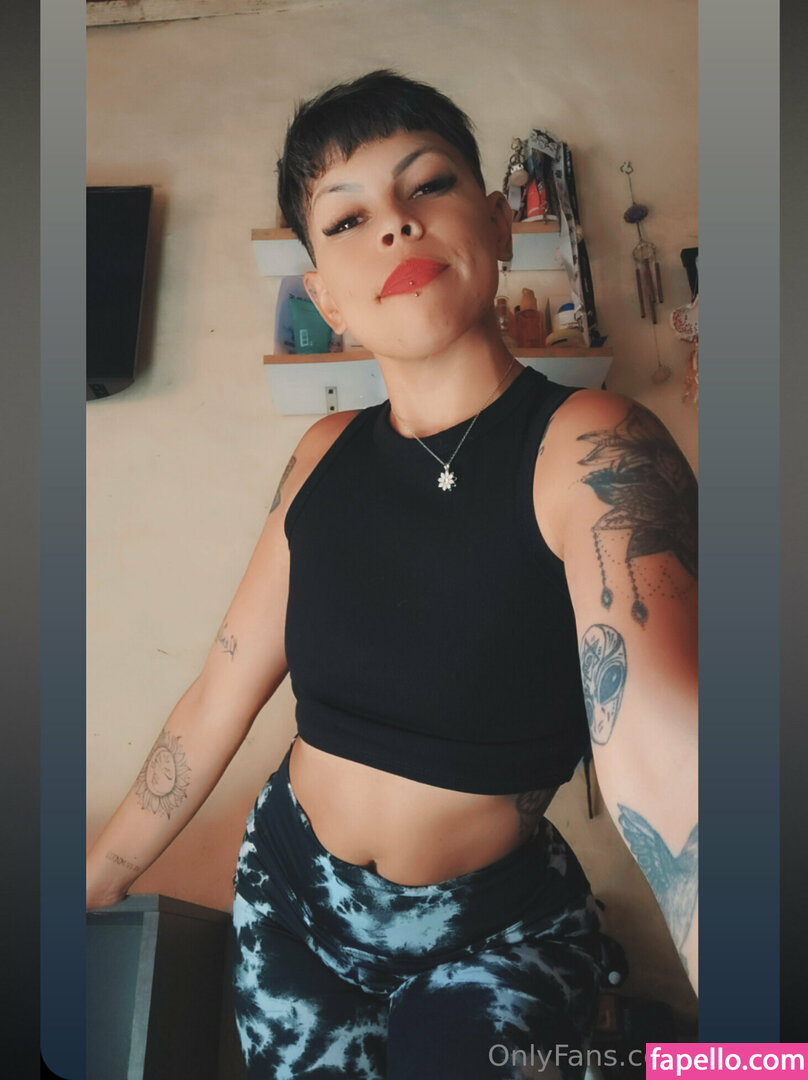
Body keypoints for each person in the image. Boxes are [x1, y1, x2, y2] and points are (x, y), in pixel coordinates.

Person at [86, 70, 698, 1080]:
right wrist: (92, 885)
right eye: (348, 217)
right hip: (289, 898)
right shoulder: (321, 455)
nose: (397, 225)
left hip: (489, 936)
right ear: (323, 294)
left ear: (497, 224)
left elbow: (665, 751)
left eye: (429, 185)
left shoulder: (591, 445)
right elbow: (216, 697)